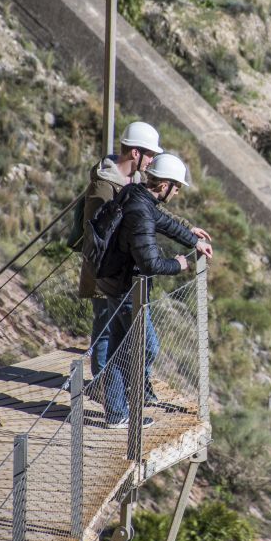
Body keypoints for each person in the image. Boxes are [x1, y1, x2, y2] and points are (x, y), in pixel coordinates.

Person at [77, 122, 210, 384]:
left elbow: (156, 216)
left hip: (120, 270)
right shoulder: (103, 188)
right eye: (150, 154)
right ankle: (106, 386)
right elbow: (98, 232)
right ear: (136, 153)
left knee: (114, 334)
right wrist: (175, 263)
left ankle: (112, 392)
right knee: (108, 329)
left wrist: (188, 233)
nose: (152, 160)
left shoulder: (135, 185)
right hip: (107, 268)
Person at [96, 153, 213, 429]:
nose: (178, 192)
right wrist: (179, 264)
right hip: (125, 288)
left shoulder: (137, 195)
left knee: (116, 347)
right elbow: (149, 263)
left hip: (113, 280)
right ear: (164, 186)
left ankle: (115, 412)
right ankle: (128, 401)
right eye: (177, 187)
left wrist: (193, 240)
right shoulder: (140, 212)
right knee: (147, 346)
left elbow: (164, 222)